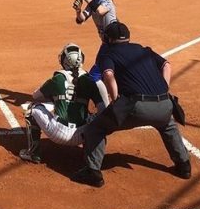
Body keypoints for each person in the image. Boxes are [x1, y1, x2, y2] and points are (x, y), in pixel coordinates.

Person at [71, 22, 190, 188]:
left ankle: (93, 172)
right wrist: (163, 88)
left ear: (107, 39)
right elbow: (166, 65)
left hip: (136, 107)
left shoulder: (108, 54)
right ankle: (184, 165)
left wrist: (115, 101)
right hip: (165, 104)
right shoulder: (144, 50)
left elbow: (108, 75)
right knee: (168, 125)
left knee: (96, 128)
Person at [19, 43, 105, 163]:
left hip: (58, 134)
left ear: (65, 60)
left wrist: (57, 99)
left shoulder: (58, 78)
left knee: (31, 109)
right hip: (82, 135)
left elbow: (36, 96)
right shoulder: (89, 80)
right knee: (95, 117)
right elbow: (102, 107)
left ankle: (33, 153)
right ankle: (90, 158)